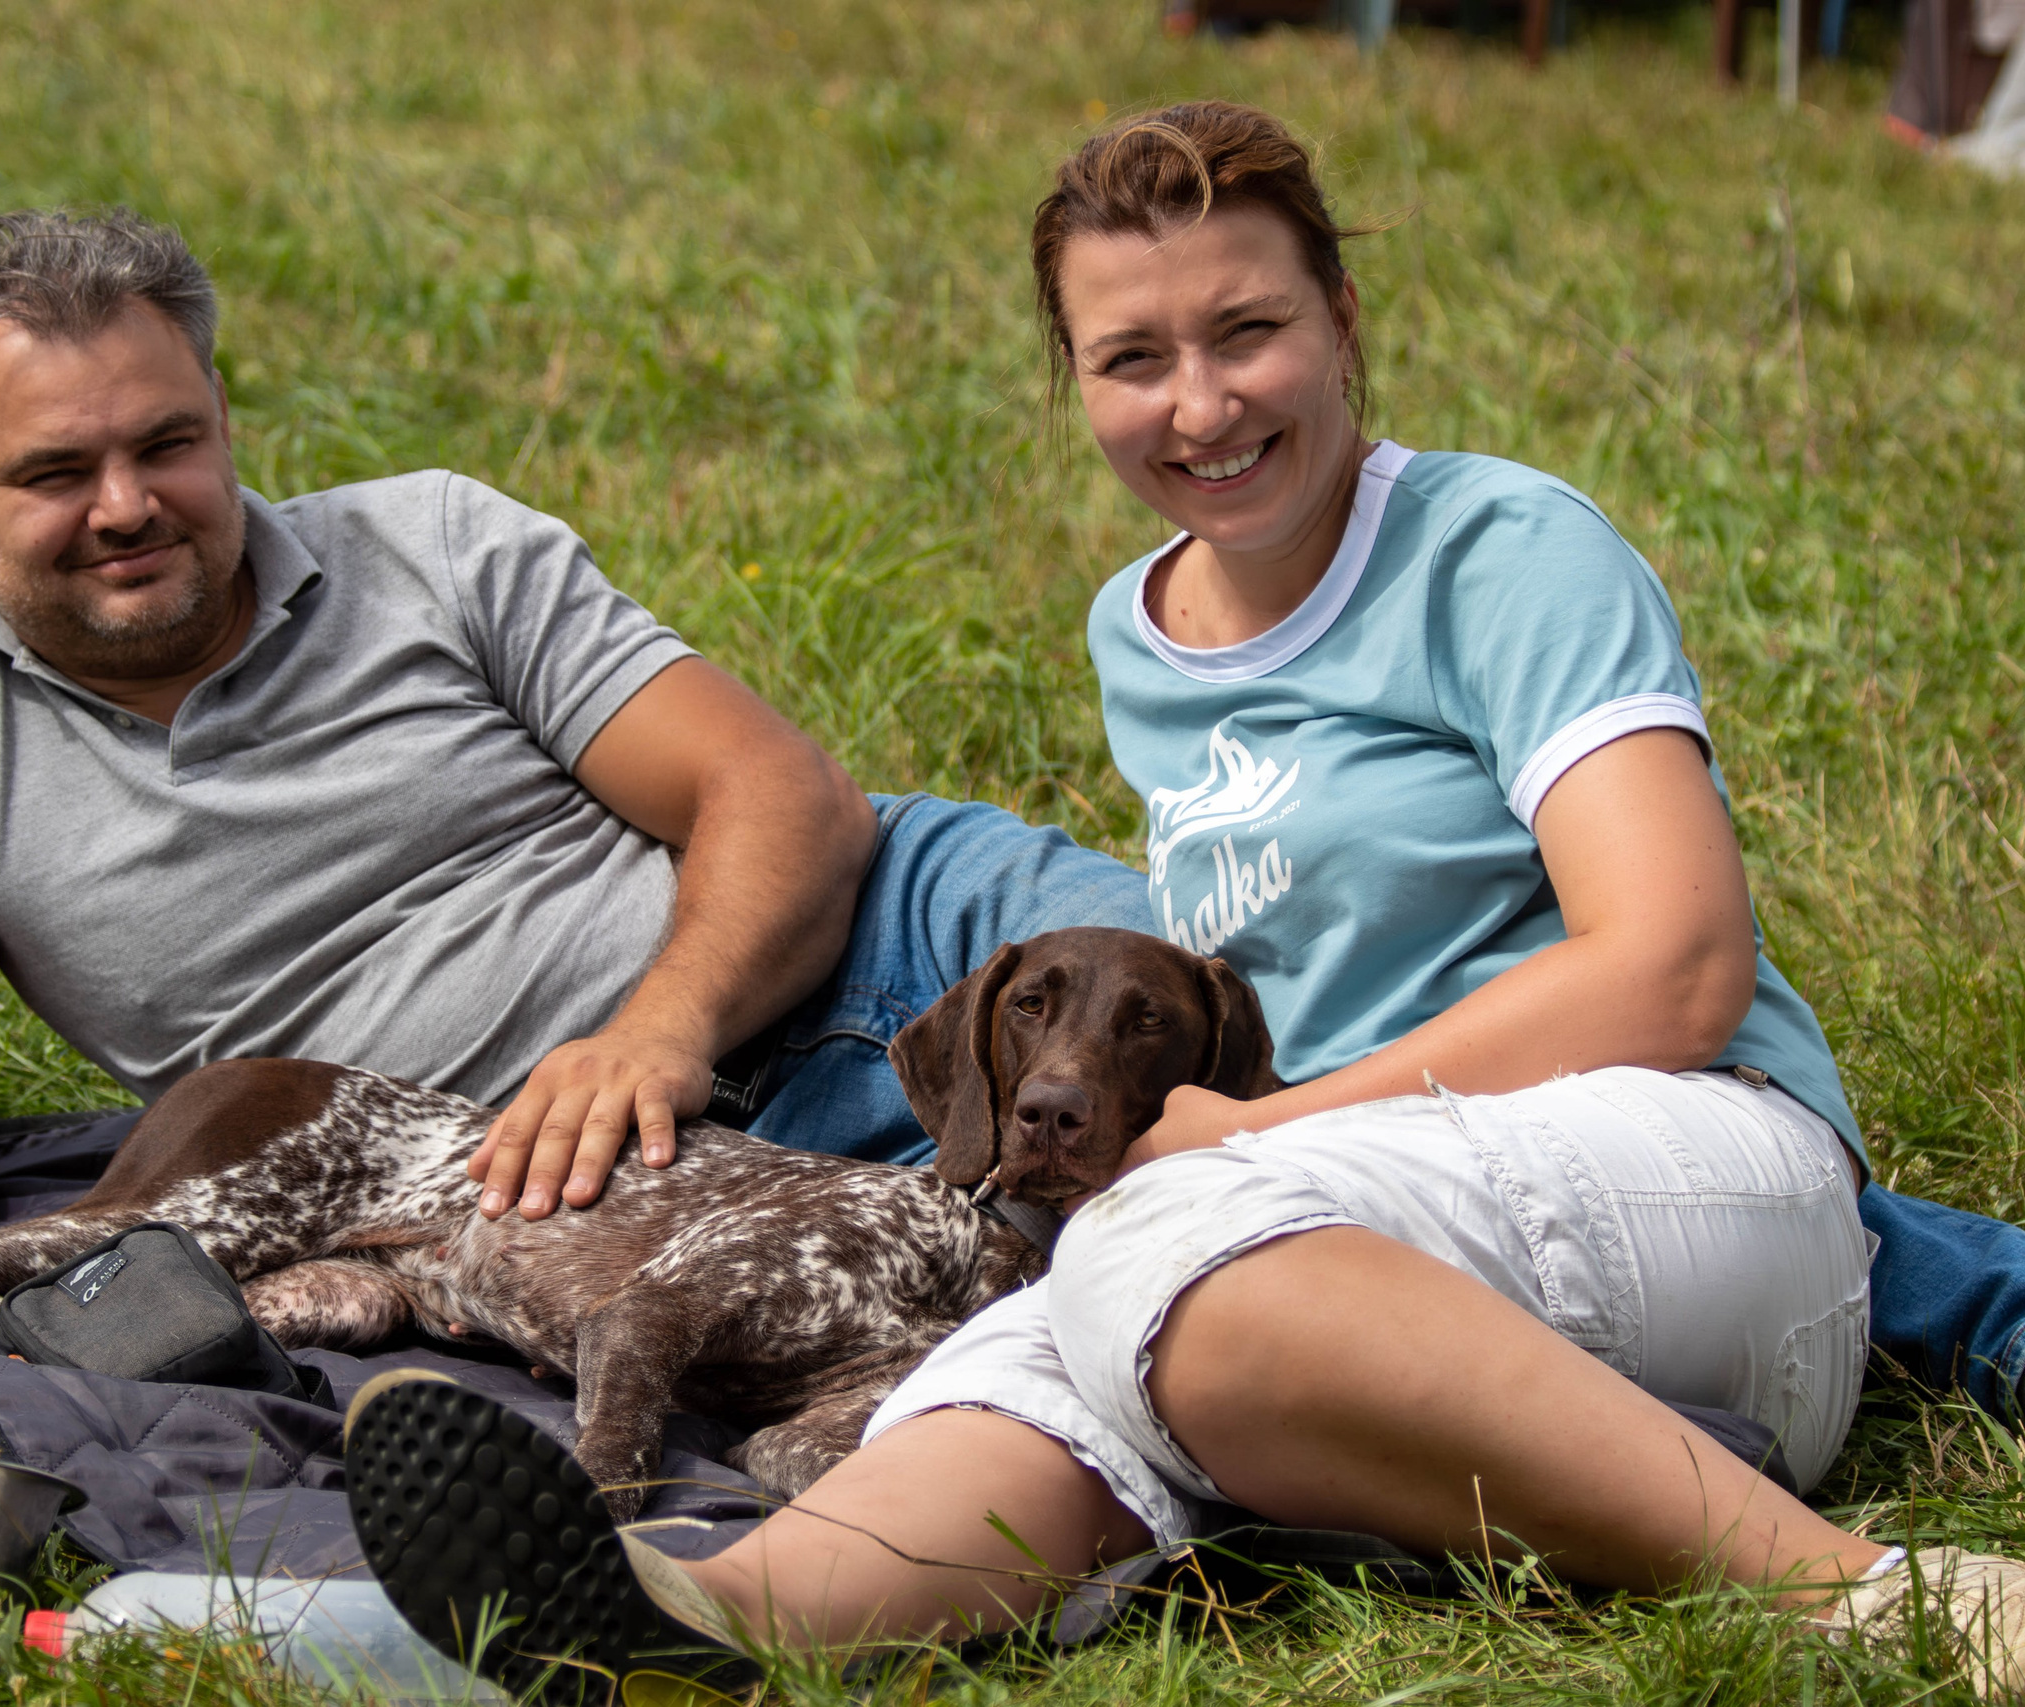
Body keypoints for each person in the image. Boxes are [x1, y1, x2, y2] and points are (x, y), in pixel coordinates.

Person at [339, 102, 2025, 1696]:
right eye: (1133, 358)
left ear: (1343, 321)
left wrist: (1260, 1136)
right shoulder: (1138, 635)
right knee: (1020, 1348)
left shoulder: (1503, 551)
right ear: (1074, 380)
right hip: (1377, 1262)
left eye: (1248, 333)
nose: (1201, 406)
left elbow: (1676, 967)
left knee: (1156, 1248)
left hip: (1694, 1172)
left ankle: (1874, 1597)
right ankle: (690, 1623)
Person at [0, 209, 1151, 1250]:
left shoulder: (431, 544)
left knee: (1252, 1029)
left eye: (167, 444)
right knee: (1134, 1277)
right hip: (589, 1193)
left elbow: (779, 791)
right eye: (58, 472)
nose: (128, 504)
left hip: (904, 939)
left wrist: (654, 1034)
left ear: (224, 418)